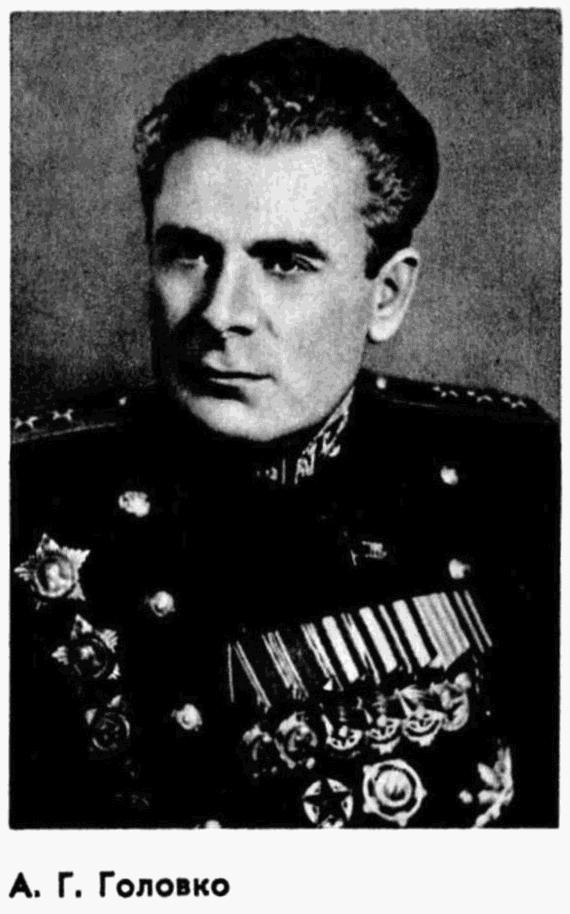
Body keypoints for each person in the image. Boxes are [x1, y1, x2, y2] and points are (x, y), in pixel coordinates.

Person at [11, 35, 559, 829]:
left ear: (386, 296)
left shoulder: (516, 479)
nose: (223, 313)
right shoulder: (27, 501)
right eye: (188, 254)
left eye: (285, 263)